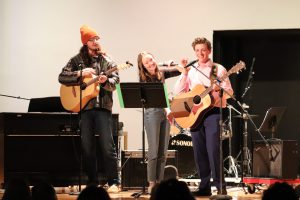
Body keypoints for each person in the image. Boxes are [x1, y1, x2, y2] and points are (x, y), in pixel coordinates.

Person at [58, 25, 120, 192]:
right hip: (85, 108)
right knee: (87, 147)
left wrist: (105, 82)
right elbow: (62, 77)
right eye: (92, 39)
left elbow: (116, 80)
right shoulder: (77, 60)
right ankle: (92, 183)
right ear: (85, 42)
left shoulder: (107, 60)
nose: (95, 42)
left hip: (103, 108)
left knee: (108, 146)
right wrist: (80, 73)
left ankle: (113, 182)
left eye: (97, 39)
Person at [173, 37, 233, 196]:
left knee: (213, 150)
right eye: (197, 50)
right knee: (199, 152)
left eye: (203, 50)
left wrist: (217, 92)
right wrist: (184, 73)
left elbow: (229, 93)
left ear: (209, 50)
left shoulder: (218, 69)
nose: (200, 53)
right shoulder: (191, 70)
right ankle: (204, 187)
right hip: (194, 114)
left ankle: (221, 187)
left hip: (213, 113)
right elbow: (178, 91)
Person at [137, 51, 181, 193]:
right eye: (146, 62)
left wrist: (178, 65)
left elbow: (178, 70)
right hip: (153, 113)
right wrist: (167, 109)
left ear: (155, 58)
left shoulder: (160, 72)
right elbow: (158, 95)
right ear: (142, 66)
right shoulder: (144, 78)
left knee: (163, 152)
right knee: (154, 151)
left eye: (151, 60)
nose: (150, 63)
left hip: (164, 114)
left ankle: (159, 183)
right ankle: (151, 183)